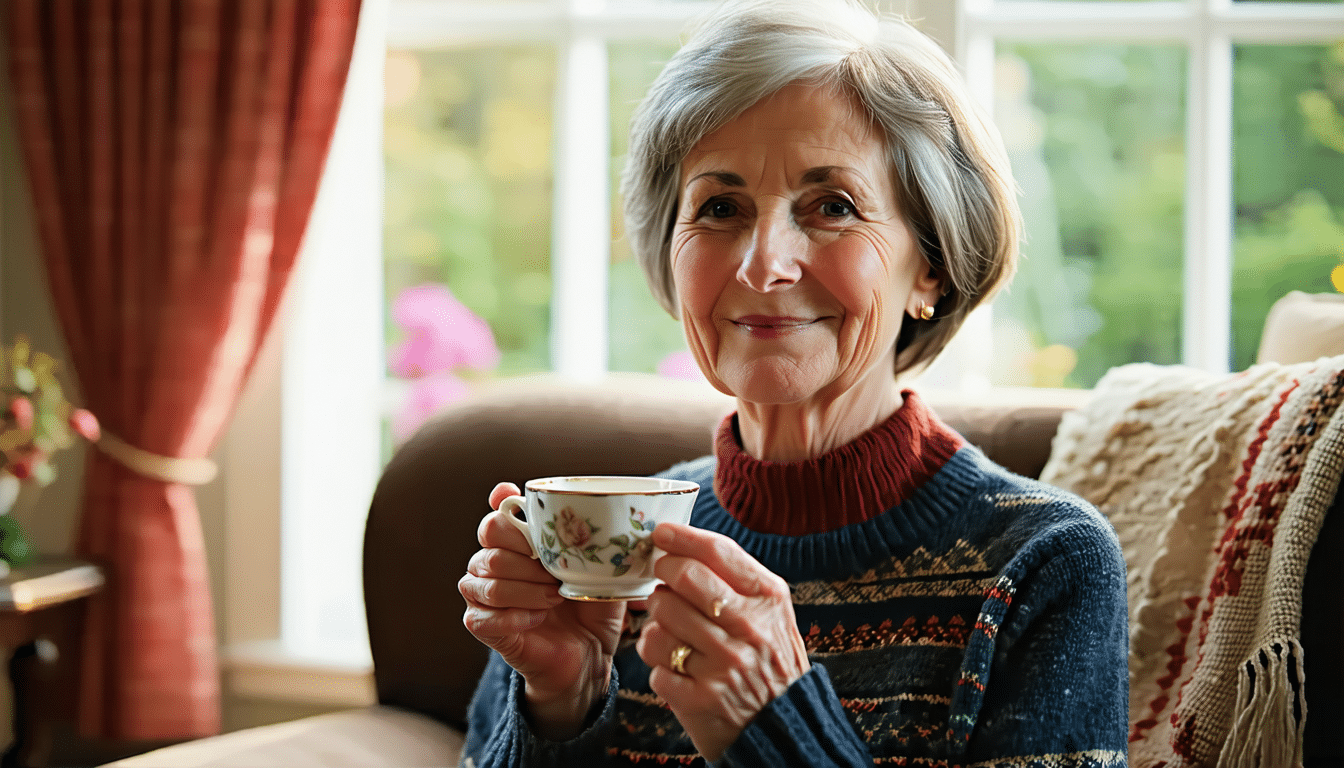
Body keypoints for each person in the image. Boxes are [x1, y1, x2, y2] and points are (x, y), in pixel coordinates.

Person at [457, 0, 1129, 765]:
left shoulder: (1045, 563)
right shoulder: (601, 556)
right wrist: (559, 711)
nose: (762, 263)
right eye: (720, 207)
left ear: (930, 268)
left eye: (832, 206)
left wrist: (778, 726)